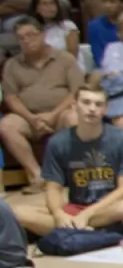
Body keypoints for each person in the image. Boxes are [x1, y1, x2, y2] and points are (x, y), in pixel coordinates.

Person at [17, 88, 123, 236]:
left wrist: (88, 214)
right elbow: (53, 188)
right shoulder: (57, 142)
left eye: (98, 104)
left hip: (109, 207)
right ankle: (83, 228)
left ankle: (67, 229)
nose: (92, 109)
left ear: (105, 109)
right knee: (18, 212)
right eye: (86, 102)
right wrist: (58, 214)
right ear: (74, 105)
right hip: (76, 206)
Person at [2, 19, 89, 184]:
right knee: (6, 125)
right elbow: (10, 97)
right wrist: (31, 118)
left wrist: (53, 115)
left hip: (61, 113)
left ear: (42, 35)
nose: (26, 40)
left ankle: (75, 172)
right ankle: (37, 175)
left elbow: (77, 91)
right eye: (21, 38)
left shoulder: (65, 59)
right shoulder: (12, 64)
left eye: (30, 35)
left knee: (74, 118)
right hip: (29, 118)